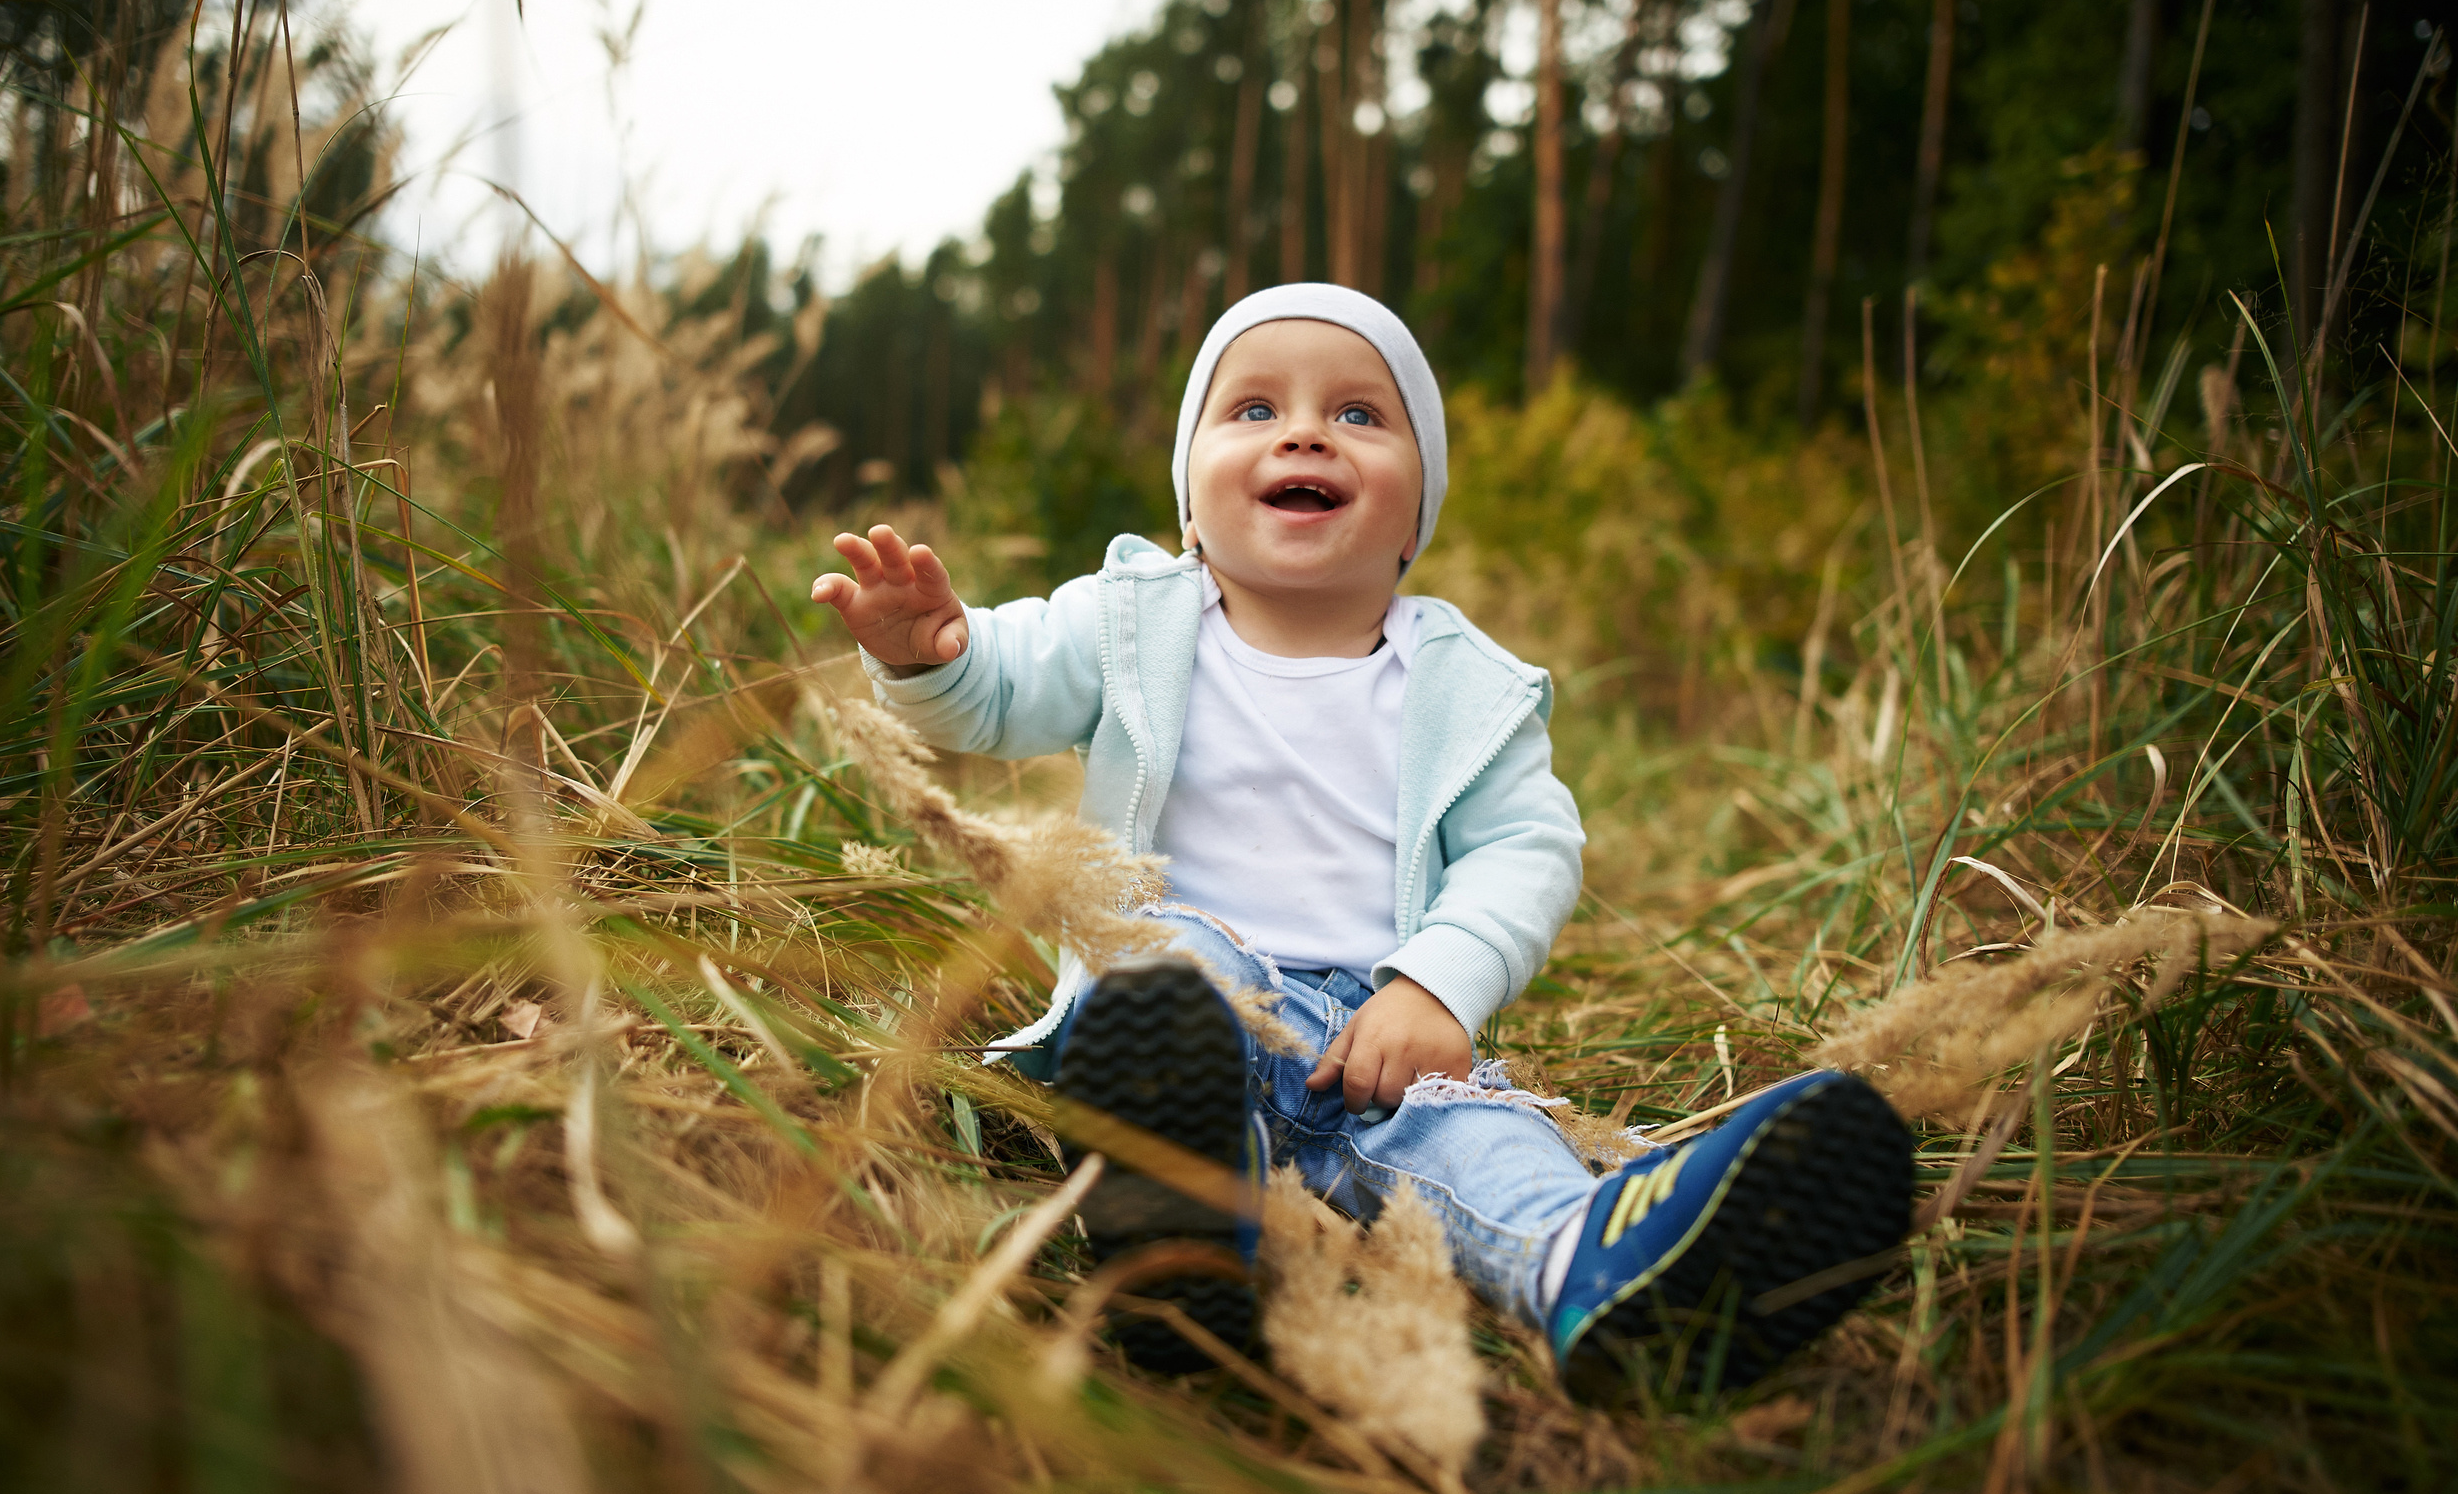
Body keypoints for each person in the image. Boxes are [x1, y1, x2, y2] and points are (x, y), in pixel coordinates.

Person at [811, 283, 1913, 1396]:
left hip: (1376, 1047)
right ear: (1188, 503)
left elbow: (1526, 848)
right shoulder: (1133, 615)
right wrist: (928, 656)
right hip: (1188, 1004)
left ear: (1413, 513)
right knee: (1163, 972)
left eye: (1357, 414)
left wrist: (1434, 988)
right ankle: (1186, 1208)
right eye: (1250, 409)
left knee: (1488, 1151)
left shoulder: (1463, 681)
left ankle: (1604, 1270)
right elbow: (997, 697)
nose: (1301, 431)